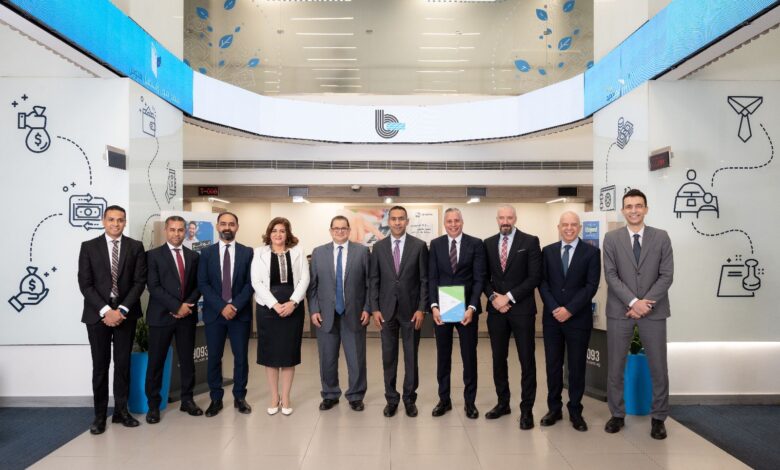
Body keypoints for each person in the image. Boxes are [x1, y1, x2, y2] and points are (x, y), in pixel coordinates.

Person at [603, 189, 674, 440]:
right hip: (620, 310)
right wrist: (634, 302)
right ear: (623, 210)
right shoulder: (611, 239)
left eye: (638, 205)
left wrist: (646, 304)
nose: (634, 210)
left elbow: (667, 275)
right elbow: (611, 275)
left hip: (653, 312)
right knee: (615, 367)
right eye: (629, 206)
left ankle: (659, 418)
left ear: (646, 209)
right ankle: (617, 414)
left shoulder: (661, 237)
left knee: (658, 367)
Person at [77, 205, 147, 435]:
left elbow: (139, 282)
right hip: (97, 315)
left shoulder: (135, 247)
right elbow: (85, 284)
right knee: (100, 366)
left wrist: (121, 310)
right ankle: (99, 416)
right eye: (111, 219)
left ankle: (121, 412)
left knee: (123, 365)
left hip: (126, 314)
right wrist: (107, 310)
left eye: (120, 220)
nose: (115, 224)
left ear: (125, 222)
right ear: (103, 221)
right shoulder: (88, 247)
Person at [538, 211, 600, 432]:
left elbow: (591, 286)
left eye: (574, 224)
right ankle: (554, 409)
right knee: (553, 366)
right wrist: (555, 308)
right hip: (552, 319)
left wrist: (570, 310)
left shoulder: (591, 252)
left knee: (576, 367)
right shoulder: (548, 251)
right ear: (559, 227)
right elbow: (542, 283)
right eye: (565, 224)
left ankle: (575, 410)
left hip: (578, 319)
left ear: (580, 228)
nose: (569, 228)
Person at [483, 204, 542, 429]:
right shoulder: (488, 243)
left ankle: (526, 410)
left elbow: (534, 277)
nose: (505, 221)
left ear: (515, 218)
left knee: (526, 360)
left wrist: (507, 297)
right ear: (497, 219)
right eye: (502, 217)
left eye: (509, 217)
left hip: (522, 310)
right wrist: (493, 298)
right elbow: (483, 276)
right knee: (499, 359)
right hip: (496, 311)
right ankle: (503, 403)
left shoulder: (530, 241)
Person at [370, 206, 428, 418]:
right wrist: (375, 308)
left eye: (401, 219)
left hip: (411, 312)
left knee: (411, 357)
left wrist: (421, 309)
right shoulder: (378, 247)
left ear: (407, 221)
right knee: (388, 357)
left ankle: (410, 399)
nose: (397, 222)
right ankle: (391, 399)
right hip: (386, 311)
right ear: (388, 221)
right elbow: (374, 280)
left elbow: (424, 280)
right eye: (393, 219)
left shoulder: (419, 246)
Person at [308, 216, 371, 412]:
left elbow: (370, 284)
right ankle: (330, 394)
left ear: (349, 230)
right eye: (336, 228)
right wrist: (314, 309)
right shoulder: (318, 253)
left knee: (356, 359)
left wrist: (367, 308)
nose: (340, 231)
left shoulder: (362, 252)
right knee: (327, 358)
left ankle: (356, 396)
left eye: (344, 228)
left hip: (354, 314)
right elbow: (312, 286)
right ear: (330, 231)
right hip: (325, 315)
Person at [144, 215, 203, 424]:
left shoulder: (194, 256)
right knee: (156, 362)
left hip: (186, 317)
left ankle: (187, 400)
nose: (176, 233)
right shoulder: (152, 256)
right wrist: (176, 306)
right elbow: (153, 286)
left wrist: (186, 305)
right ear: (165, 231)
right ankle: (153, 406)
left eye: (180, 230)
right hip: (161, 316)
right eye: (172, 229)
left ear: (185, 232)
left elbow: (198, 285)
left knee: (187, 361)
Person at [428, 208, 485, 419]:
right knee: (443, 357)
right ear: (445, 223)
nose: (453, 224)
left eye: (456, 220)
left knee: (469, 357)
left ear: (462, 221)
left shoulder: (475, 244)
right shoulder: (436, 244)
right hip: (442, 310)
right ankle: (444, 400)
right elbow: (432, 277)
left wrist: (472, 307)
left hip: (466, 311)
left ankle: (470, 402)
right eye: (449, 221)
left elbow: (479, 279)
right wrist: (434, 306)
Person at [197, 212, 254, 417]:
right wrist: (222, 306)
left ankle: (240, 397)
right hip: (215, 314)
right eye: (223, 224)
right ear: (217, 226)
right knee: (214, 357)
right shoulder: (207, 253)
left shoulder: (248, 252)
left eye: (231, 224)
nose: (227, 227)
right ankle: (216, 399)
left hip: (240, 314)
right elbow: (203, 283)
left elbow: (250, 283)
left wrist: (234, 306)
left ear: (237, 227)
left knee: (241, 358)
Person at [251, 217, 310, 416]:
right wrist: (274, 305)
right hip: (268, 309)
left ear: (288, 234)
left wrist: (293, 302)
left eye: (282, 231)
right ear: (269, 233)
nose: (278, 234)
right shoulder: (258, 253)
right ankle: (274, 397)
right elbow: (256, 282)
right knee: (270, 356)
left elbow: (304, 279)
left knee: (288, 355)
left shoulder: (298, 251)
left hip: (293, 308)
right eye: (274, 230)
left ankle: (286, 397)